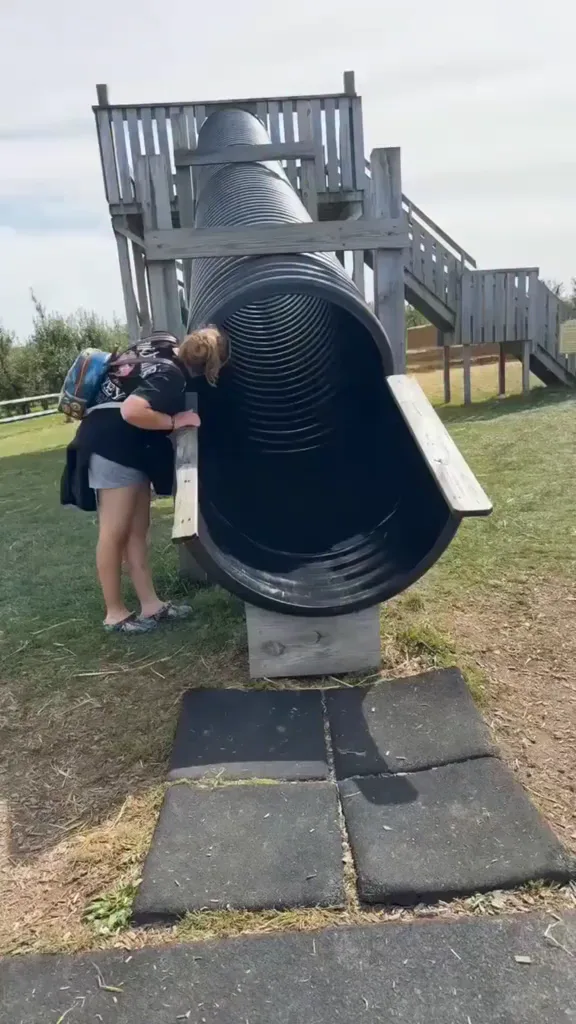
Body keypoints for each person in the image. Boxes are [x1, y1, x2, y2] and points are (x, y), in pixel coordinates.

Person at [61, 326, 229, 634]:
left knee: (137, 531)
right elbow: (132, 409)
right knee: (114, 532)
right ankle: (115, 614)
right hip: (112, 446)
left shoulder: (159, 345)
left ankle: (151, 605)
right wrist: (174, 420)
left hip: (130, 448)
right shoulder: (172, 375)